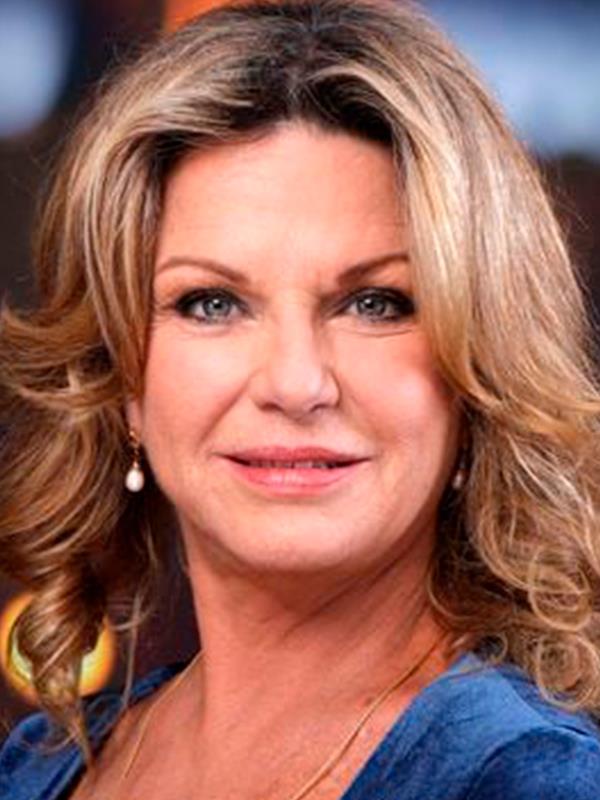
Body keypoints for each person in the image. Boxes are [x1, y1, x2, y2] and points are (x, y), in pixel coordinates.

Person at [1, 0, 600, 797]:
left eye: (376, 304)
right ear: (123, 380)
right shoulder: (38, 768)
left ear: (479, 372)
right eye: (212, 303)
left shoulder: (531, 779)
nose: (295, 383)